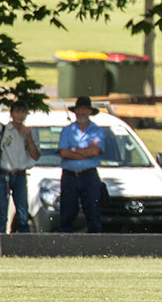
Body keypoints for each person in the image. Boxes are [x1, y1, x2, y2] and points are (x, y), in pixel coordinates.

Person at [0, 100, 40, 233]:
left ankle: (23, 243)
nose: (20, 116)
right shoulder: (2, 129)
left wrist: (28, 137)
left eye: (23, 112)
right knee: (2, 214)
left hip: (20, 175)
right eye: (17, 112)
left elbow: (36, 156)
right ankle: (1, 243)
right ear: (11, 114)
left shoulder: (30, 132)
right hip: (3, 174)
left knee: (23, 213)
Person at [57, 97, 106, 233]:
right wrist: (86, 151)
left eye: (85, 109)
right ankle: (65, 248)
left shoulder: (97, 130)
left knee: (93, 212)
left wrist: (73, 149)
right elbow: (63, 153)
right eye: (79, 109)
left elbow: (95, 150)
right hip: (70, 176)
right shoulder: (67, 130)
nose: (82, 112)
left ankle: (95, 247)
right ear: (75, 111)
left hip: (89, 176)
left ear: (90, 111)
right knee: (67, 212)